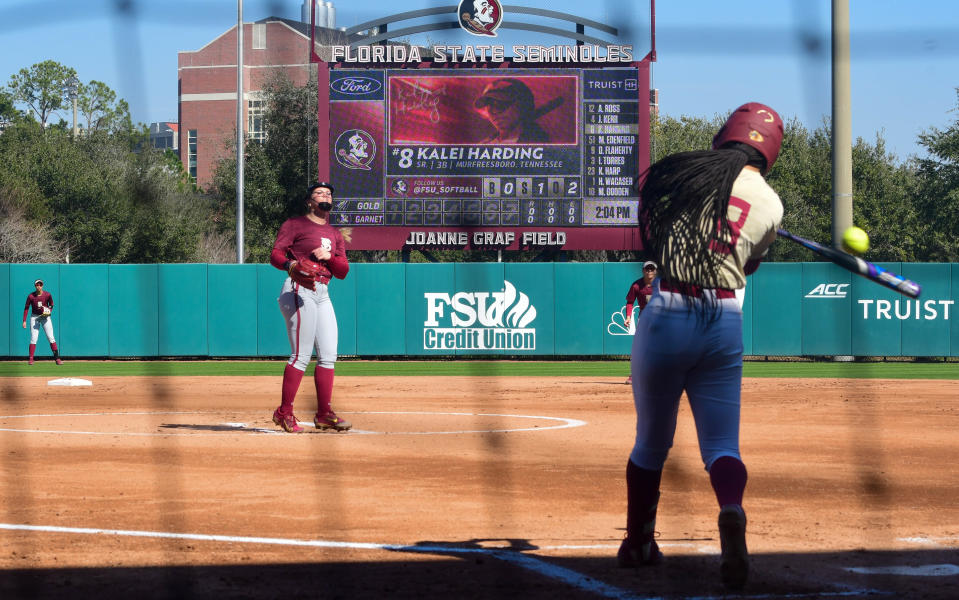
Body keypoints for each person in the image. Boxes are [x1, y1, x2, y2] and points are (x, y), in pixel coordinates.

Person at [618, 102, 784, 592]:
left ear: (724, 135)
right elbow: (749, 266)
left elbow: (653, 234)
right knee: (721, 446)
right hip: (724, 319)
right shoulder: (771, 204)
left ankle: (640, 543)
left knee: (651, 441)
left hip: (669, 309)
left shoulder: (687, 177)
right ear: (769, 152)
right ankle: (731, 510)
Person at [269, 182, 352, 433]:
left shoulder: (336, 234)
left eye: (328, 193)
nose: (325, 195)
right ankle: (284, 413)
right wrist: (290, 266)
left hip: (323, 293)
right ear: (309, 200)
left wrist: (331, 257)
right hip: (299, 288)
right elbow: (275, 255)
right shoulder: (294, 225)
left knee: (328, 355)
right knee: (301, 355)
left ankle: (325, 414)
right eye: (319, 193)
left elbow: (343, 271)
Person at [474, 78, 552, 144]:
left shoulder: (536, 143)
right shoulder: (486, 144)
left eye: (500, 104)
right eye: (488, 106)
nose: (493, 113)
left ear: (522, 104)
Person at [623, 261, 658, 384]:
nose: (649, 271)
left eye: (652, 269)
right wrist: (628, 317)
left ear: (655, 271)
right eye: (647, 269)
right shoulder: (636, 285)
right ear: (643, 271)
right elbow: (630, 302)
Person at [22, 279, 63, 365]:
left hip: (45, 317)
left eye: (40, 285)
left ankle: (57, 359)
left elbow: (51, 304)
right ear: (35, 286)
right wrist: (24, 320)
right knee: (34, 338)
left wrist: (49, 311)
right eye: (37, 285)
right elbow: (26, 308)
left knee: (51, 337)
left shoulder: (47, 295)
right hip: (35, 317)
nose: (39, 286)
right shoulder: (31, 296)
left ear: (42, 286)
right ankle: (31, 359)